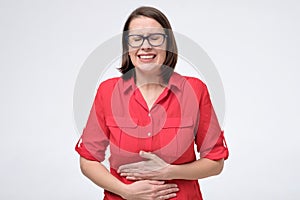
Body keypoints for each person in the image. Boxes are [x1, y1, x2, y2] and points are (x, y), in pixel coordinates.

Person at [75, 6, 229, 200]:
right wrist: (125, 191)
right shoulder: (108, 92)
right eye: (136, 38)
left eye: (155, 38)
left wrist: (167, 171)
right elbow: (88, 160)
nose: (145, 46)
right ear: (127, 46)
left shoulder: (195, 91)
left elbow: (215, 162)